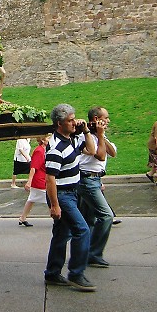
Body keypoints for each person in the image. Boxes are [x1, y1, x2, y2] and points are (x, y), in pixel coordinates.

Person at [44, 103, 96, 292]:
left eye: (74, 119)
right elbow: (50, 179)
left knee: (61, 234)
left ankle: (52, 273)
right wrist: (55, 205)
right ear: (59, 123)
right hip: (62, 195)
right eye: (70, 120)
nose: (75, 123)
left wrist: (86, 131)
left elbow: (91, 150)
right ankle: (76, 273)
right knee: (82, 230)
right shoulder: (56, 148)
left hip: (72, 193)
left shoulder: (71, 140)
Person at [77, 106, 116, 268]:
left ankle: (84, 254)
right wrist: (98, 135)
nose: (108, 121)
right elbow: (100, 155)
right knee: (106, 216)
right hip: (86, 180)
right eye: (105, 118)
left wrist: (101, 136)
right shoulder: (83, 137)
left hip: (94, 180)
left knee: (89, 220)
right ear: (95, 119)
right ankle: (93, 253)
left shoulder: (100, 136)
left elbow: (112, 152)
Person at [18, 135, 50, 227]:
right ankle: (57, 218)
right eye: (48, 138)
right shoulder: (39, 151)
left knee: (31, 199)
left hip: (41, 178)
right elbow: (33, 167)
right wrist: (29, 181)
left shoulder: (44, 150)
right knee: (50, 199)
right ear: (43, 140)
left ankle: (22, 218)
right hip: (40, 180)